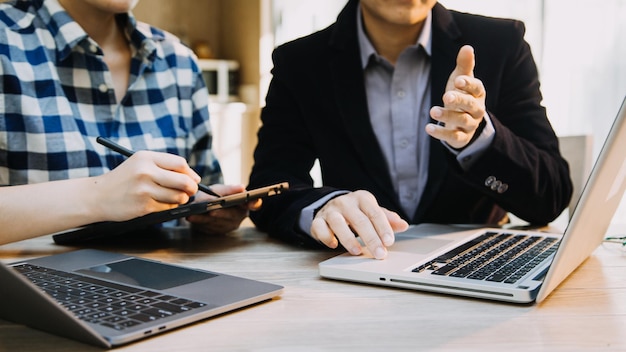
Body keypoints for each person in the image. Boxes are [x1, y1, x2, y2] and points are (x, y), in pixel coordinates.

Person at [248, 0, 573, 259]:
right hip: (357, 272)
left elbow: (551, 197)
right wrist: (323, 206)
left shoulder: (502, 44)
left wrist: (480, 140)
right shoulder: (300, 63)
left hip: (480, 274)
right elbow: (269, 188)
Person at [0, 0, 258, 245]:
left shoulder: (177, 61)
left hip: (163, 278)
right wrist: (98, 196)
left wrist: (205, 209)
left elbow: (202, 186)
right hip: (26, 286)